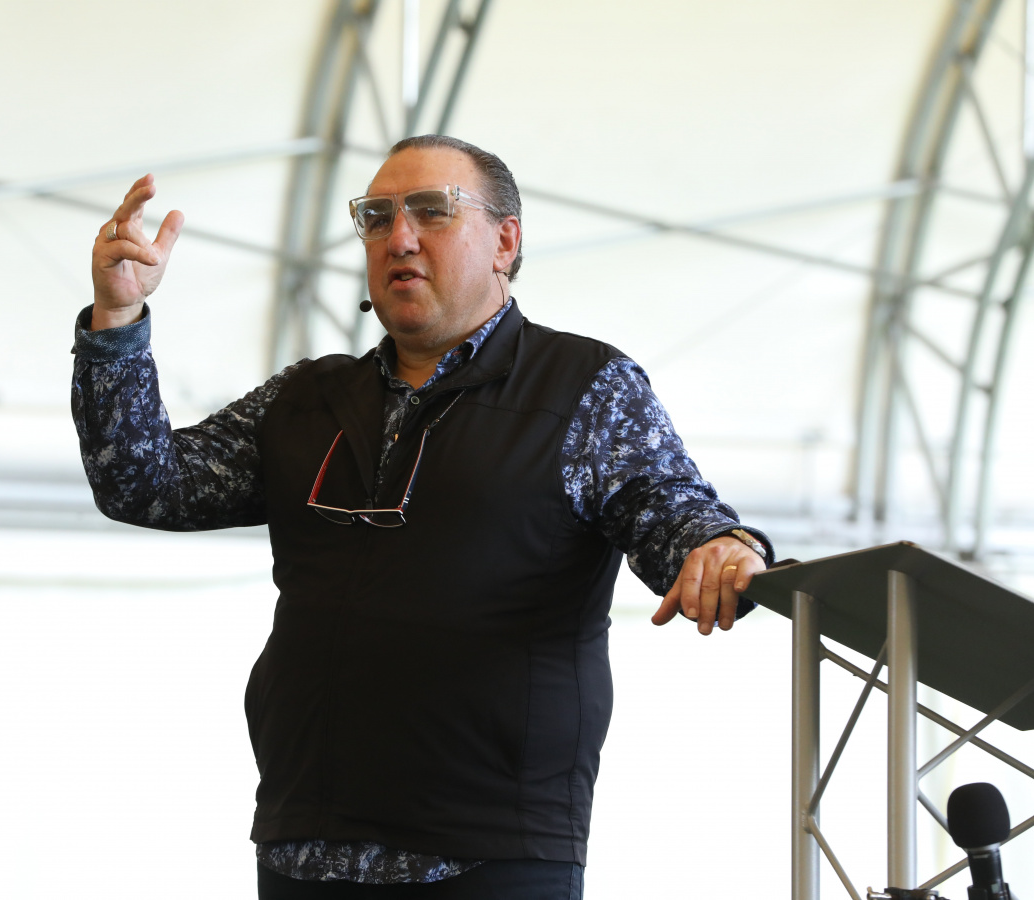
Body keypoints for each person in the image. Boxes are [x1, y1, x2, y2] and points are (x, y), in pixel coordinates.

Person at [71, 134, 772, 899]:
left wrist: (722, 544)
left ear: (505, 240)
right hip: (305, 849)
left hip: (489, 856)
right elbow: (144, 483)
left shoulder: (582, 386)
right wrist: (119, 317)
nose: (399, 237)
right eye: (377, 217)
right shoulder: (306, 396)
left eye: (432, 211)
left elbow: (673, 512)